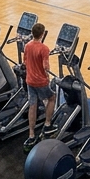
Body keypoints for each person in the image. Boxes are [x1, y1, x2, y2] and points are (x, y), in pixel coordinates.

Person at [22, 22, 56, 150]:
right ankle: (47, 124)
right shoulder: (44, 48)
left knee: (33, 105)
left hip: (29, 80)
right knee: (52, 98)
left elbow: (24, 62)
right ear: (42, 34)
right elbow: (46, 66)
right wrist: (47, 76)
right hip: (40, 81)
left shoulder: (27, 46)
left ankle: (31, 134)